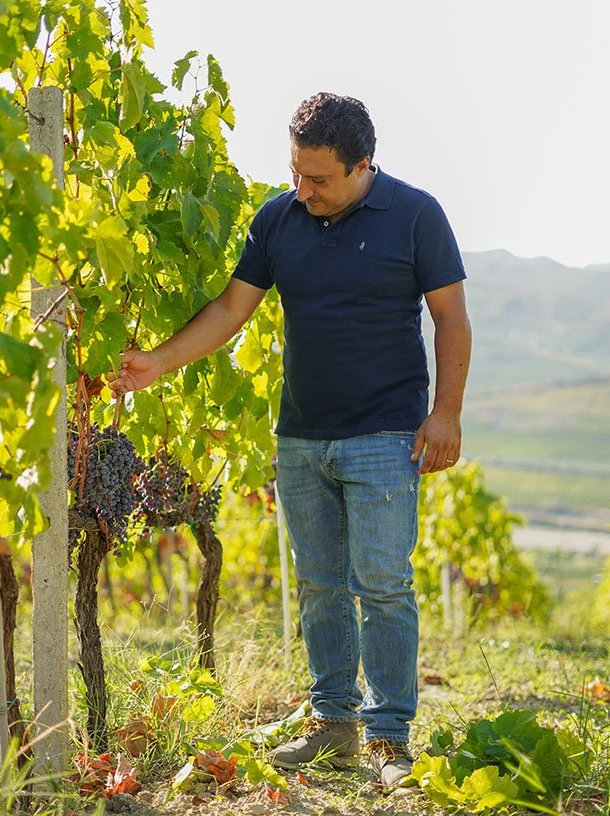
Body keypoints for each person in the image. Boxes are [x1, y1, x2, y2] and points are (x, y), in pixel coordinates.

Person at [109, 92, 471, 790]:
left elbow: (451, 319)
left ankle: (389, 739)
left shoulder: (416, 215)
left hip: (387, 435)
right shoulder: (279, 217)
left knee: (384, 583)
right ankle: (333, 727)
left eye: (320, 180)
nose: (303, 190)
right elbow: (230, 309)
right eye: (295, 173)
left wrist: (446, 412)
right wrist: (158, 362)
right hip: (301, 438)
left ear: (364, 165)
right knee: (318, 586)